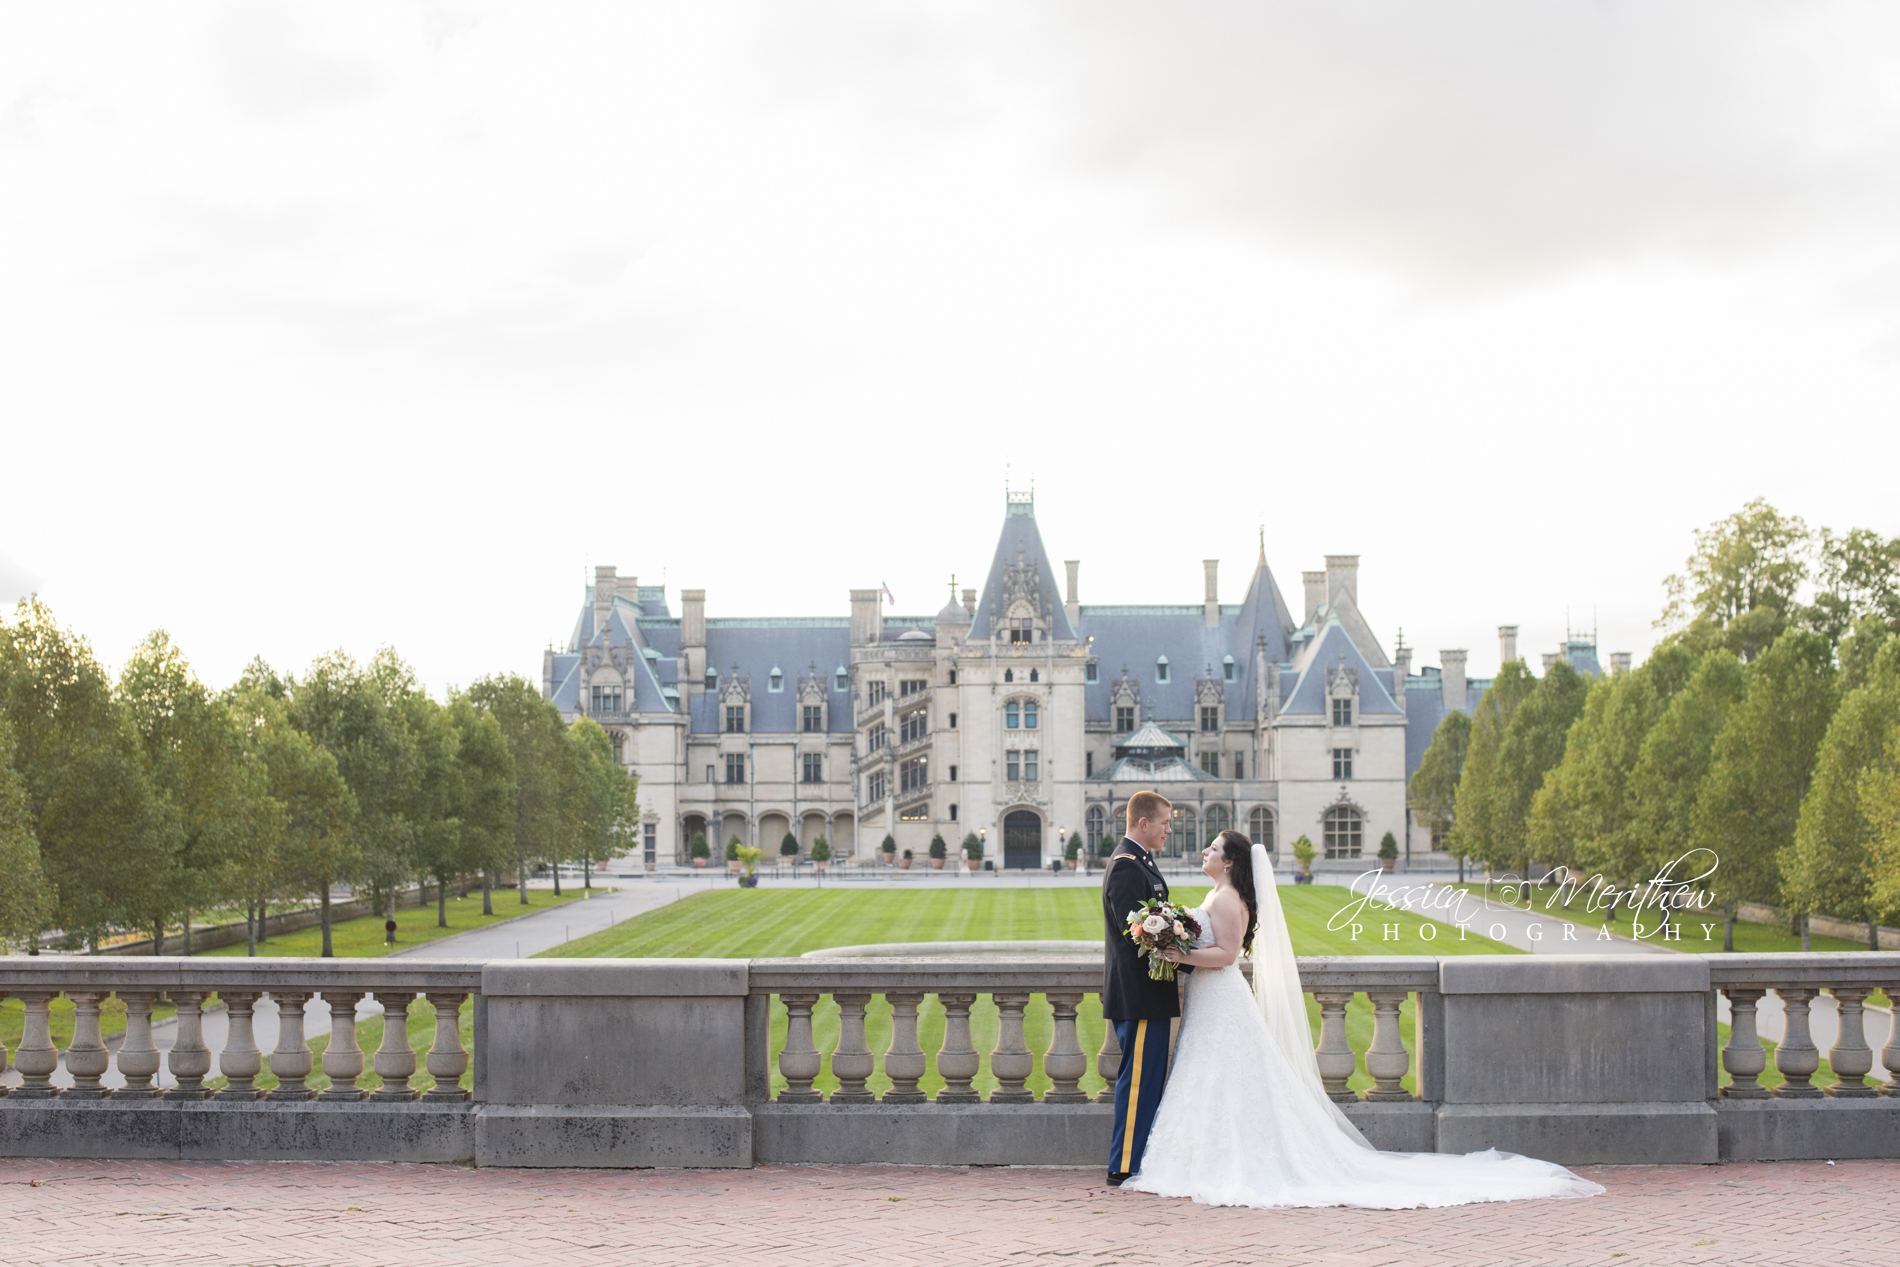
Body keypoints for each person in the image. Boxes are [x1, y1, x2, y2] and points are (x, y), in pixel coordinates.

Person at [1122, 829, 1604, 1209]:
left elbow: (1226, 956)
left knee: (1223, 1076)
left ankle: (1214, 1161)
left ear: (1228, 861)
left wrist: (1174, 951)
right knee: (1216, 1078)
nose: (1204, 851)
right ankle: (1210, 1157)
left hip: (1221, 996)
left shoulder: (1227, 900)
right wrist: (1176, 944)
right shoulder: (1220, 896)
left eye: (1212, 848)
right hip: (1213, 1001)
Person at [1100, 789, 1180, 1187]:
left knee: (1148, 1080)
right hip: (1140, 994)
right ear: (1143, 823)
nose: (1169, 829)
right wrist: (1182, 947)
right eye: (1164, 823)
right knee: (1138, 1083)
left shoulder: (1140, 862)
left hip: (1148, 993)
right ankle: (1124, 1165)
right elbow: (1137, 934)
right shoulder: (1128, 866)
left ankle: (1136, 1159)